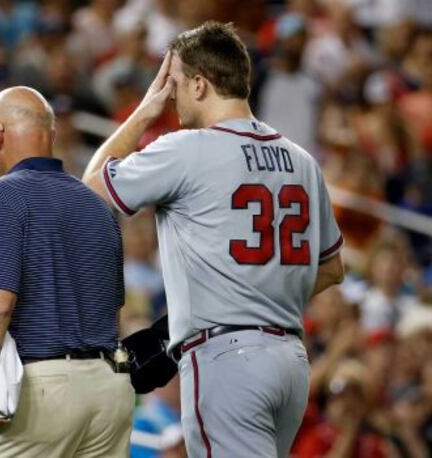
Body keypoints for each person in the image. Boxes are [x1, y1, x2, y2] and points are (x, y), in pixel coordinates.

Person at [83, 21, 345, 458]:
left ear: (200, 85)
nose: (172, 94)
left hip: (226, 359)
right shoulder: (302, 161)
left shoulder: (187, 147)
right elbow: (332, 268)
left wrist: (145, 110)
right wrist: (259, 297)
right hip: (290, 362)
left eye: (176, 83)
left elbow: (91, 190)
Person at [0, 86, 134, 457]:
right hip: (110, 392)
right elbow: (111, 311)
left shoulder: (2, 194)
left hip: (45, 393)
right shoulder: (98, 206)